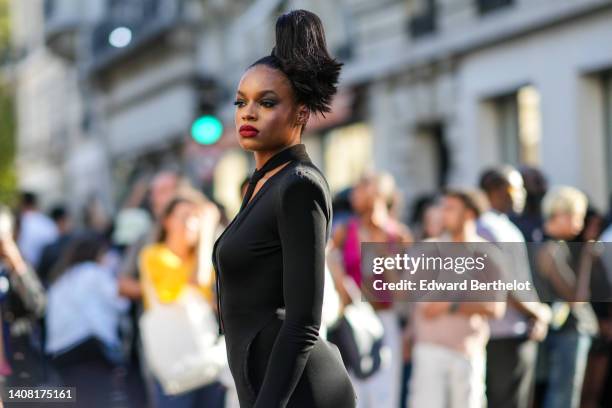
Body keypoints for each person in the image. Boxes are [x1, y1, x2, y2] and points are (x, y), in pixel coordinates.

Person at [212, 10, 356, 407]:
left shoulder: (298, 185)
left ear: (301, 113)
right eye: (241, 101)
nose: (248, 112)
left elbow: (303, 324)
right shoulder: (262, 183)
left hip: (298, 392)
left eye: (267, 102)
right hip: (266, 385)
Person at [406, 189, 506, 408]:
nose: (443, 214)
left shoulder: (489, 255)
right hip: (430, 351)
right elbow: (428, 307)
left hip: (469, 352)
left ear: (469, 214)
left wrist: (452, 303)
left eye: (450, 209)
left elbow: (495, 308)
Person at [327, 172, 412, 408]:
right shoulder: (346, 230)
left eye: (361, 189)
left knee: (385, 393)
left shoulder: (398, 234)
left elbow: (403, 289)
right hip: (354, 317)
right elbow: (329, 260)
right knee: (355, 390)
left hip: (385, 317)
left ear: (378, 193)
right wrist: (341, 280)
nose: (355, 195)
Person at [139, 194, 226, 408]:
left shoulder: (202, 258)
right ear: (167, 221)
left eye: (196, 218)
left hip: (207, 365)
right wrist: (207, 233)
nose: (191, 223)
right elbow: (199, 279)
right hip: (176, 369)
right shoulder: (155, 255)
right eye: (184, 216)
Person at [477, 167, 551, 408]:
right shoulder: (486, 227)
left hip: (519, 329)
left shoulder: (504, 225)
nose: (521, 195)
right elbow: (503, 284)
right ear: (497, 190)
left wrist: (537, 315)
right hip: (501, 333)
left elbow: (521, 281)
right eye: (515, 188)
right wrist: (538, 313)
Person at [45, 232, 129, 408]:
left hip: (60, 354)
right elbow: (121, 303)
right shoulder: (94, 272)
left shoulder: (59, 279)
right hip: (88, 350)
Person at [534, 186, 599, 408]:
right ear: (562, 215)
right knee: (563, 396)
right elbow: (577, 297)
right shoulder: (551, 250)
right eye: (577, 217)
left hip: (562, 331)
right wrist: (588, 256)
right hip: (566, 332)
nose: (579, 224)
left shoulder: (547, 244)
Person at [16, 191, 58, 268]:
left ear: (21, 204)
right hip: (44, 270)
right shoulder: (48, 223)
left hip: (21, 267)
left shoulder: (19, 221)